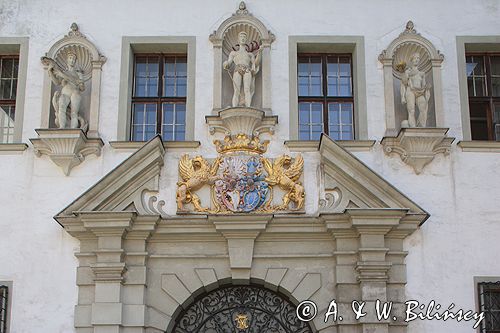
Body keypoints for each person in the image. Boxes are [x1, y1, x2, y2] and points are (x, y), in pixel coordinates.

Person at [46, 52, 85, 128]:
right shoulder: (63, 72)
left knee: (74, 113)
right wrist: (50, 72)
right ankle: (62, 127)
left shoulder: (78, 74)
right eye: (70, 58)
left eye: (73, 59)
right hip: (65, 93)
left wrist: (63, 75)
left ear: (75, 61)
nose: (72, 60)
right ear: (67, 60)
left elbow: (82, 88)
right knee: (61, 109)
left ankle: (73, 129)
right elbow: (56, 82)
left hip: (75, 92)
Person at [223, 31, 261, 107]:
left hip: (247, 70)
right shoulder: (233, 53)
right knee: (236, 90)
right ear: (238, 39)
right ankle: (234, 107)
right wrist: (226, 63)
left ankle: (248, 106)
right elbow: (229, 63)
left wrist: (259, 52)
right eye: (241, 37)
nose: (242, 38)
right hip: (237, 69)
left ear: (246, 39)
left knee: (247, 90)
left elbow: (255, 64)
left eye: (244, 37)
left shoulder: (250, 54)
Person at [400, 52, 431, 127]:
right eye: (415, 58)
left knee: (423, 108)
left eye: (418, 58)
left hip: (420, 92)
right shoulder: (408, 72)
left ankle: (421, 125)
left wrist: (427, 87)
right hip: (410, 91)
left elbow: (423, 85)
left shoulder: (422, 73)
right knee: (411, 110)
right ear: (411, 60)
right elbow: (404, 83)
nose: (416, 60)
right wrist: (403, 97)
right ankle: (413, 127)